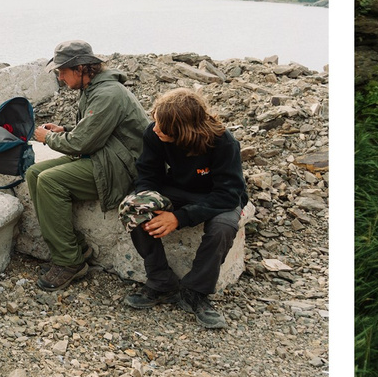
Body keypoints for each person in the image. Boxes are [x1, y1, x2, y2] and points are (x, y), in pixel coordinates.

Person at [21, 41, 150, 290]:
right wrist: (64, 130)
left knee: (50, 181)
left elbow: (82, 143)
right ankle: (76, 248)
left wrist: (48, 138)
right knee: (35, 172)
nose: (59, 77)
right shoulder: (94, 88)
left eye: (62, 71)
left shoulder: (107, 94)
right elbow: (94, 131)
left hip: (121, 167)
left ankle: (69, 262)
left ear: (80, 69)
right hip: (107, 154)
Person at [122, 88, 247, 330]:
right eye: (156, 121)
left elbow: (229, 194)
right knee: (133, 207)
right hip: (178, 189)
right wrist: (149, 198)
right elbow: (148, 174)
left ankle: (196, 292)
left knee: (223, 227)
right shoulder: (155, 133)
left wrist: (178, 218)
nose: (155, 129)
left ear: (183, 130)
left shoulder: (224, 143)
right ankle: (161, 282)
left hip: (218, 196)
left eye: (162, 126)